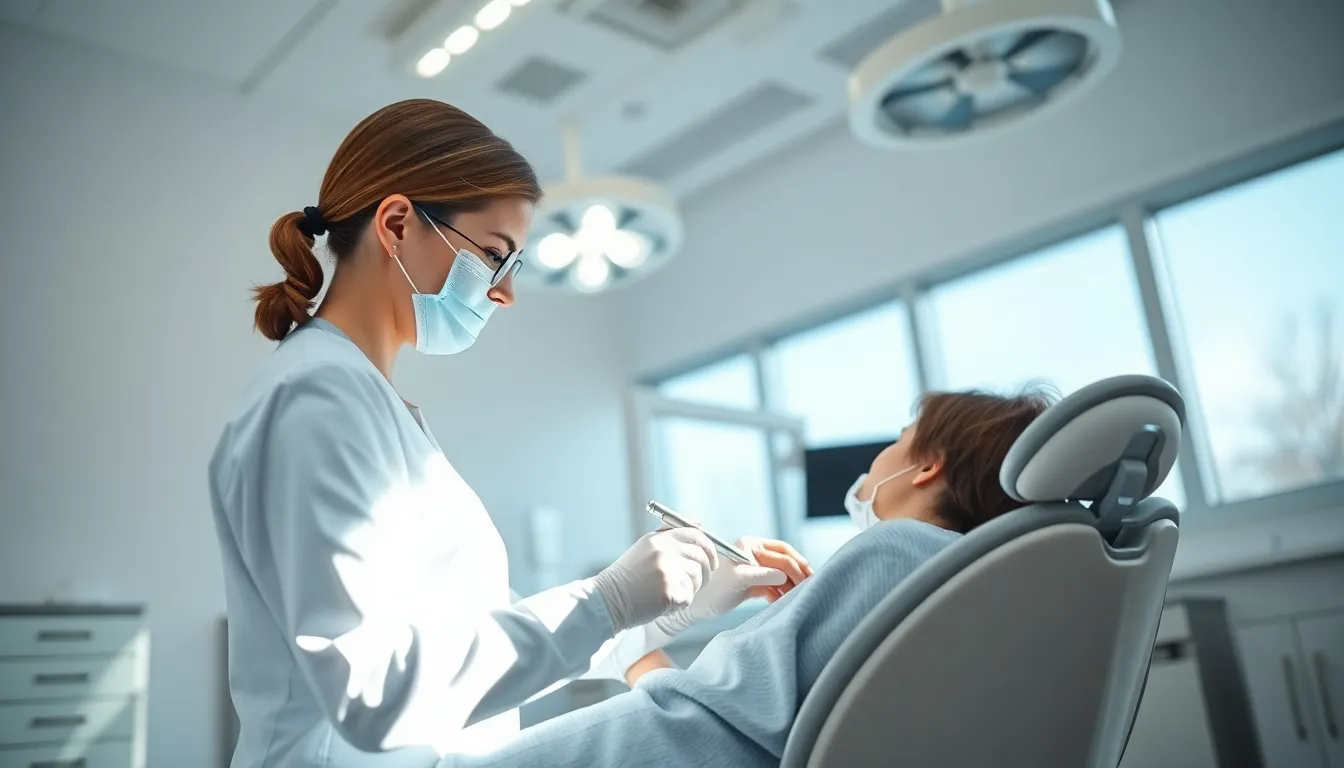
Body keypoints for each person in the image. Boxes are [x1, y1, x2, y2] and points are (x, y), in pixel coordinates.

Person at [208, 99, 810, 768]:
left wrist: (667, 612)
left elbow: (475, 642)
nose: (505, 293)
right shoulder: (314, 396)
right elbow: (372, 692)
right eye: (494, 257)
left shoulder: (373, 405)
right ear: (399, 223)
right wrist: (606, 600)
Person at [433, 388, 1056, 768]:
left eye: (896, 440)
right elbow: (736, 721)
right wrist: (642, 646)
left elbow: (699, 726)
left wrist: (644, 629)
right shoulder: (962, 586)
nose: (877, 460)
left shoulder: (897, 553)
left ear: (926, 467)